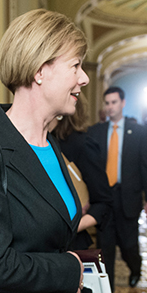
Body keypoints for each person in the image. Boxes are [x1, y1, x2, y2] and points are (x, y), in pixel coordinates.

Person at [0, 9, 88, 293]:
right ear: (40, 71)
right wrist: (69, 268)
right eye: (75, 66)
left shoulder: (50, 143)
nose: (84, 78)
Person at [87, 86, 147, 290]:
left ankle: (135, 268)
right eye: (107, 103)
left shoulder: (139, 132)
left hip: (128, 197)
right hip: (104, 199)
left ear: (123, 103)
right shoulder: (96, 132)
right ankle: (106, 288)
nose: (110, 107)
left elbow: (146, 167)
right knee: (105, 248)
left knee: (129, 246)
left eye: (114, 102)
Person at [50, 93, 113, 250]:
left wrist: (70, 228)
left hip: (69, 245)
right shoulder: (32, 140)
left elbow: (103, 202)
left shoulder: (81, 144)